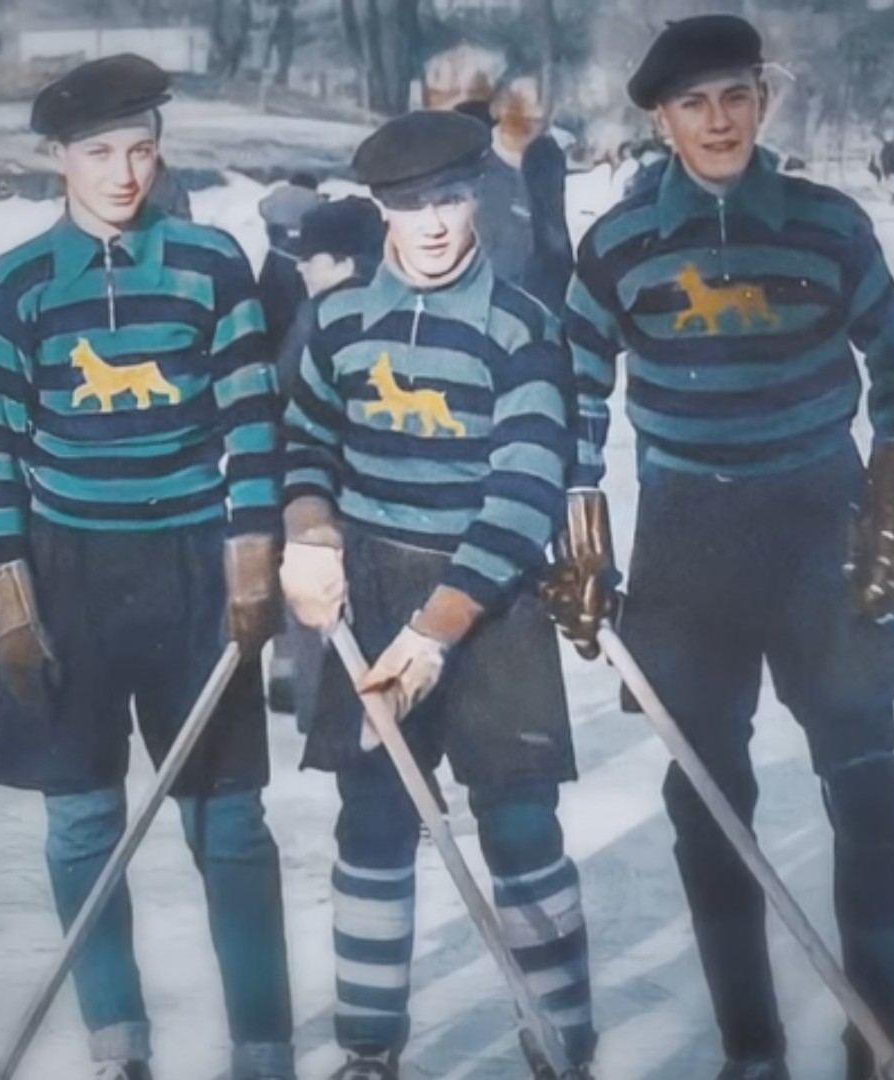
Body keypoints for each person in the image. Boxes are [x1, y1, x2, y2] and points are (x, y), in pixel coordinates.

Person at [545, 15, 894, 1080]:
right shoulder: (618, 244)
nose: (717, 121)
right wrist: (581, 531)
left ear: (762, 100)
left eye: (734, 96)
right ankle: (749, 1051)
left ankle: (877, 1039)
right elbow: (573, 392)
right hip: (688, 537)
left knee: (870, 788)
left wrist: (891, 492)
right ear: (660, 121)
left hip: (821, 522)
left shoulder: (829, 225)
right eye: (692, 104)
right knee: (706, 799)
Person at [0, 54, 294, 1080]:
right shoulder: (17, 282)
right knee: (81, 822)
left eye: (141, 150)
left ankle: (263, 1050)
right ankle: (119, 1046)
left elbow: (252, 422)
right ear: (57, 157)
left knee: (229, 822)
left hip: (195, 567)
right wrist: (10, 600)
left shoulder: (210, 263)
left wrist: (253, 562)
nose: (123, 174)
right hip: (69, 571)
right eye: (99, 152)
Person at [281, 110, 596, 1080]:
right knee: (374, 819)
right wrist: (310, 530)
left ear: (477, 199)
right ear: (380, 208)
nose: (430, 223)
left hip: (487, 596)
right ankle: (368, 1049)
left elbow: (524, 492)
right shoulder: (338, 320)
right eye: (409, 204)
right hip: (371, 586)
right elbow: (306, 441)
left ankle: (561, 1043)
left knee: (519, 823)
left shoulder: (522, 326)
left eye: (449, 200)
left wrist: (438, 631)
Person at [267, 195, 384, 726]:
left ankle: (318, 709)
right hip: (372, 496)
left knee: (314, 602)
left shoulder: (321, 314)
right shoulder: (395, 303)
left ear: (343, 262)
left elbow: (285, 387)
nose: (299, 267)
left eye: (310, 257)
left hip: (316, 487)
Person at [470, 61, 575, 313]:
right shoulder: (473, 165)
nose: (535, 113)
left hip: (551, 307)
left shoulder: (552, 159)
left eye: (540, 102)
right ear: (497, 107)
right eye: (522, 102)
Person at [259, 177, 322, 355]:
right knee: (295, 305)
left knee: (269, 301)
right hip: (301, 258)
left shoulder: (278, 194)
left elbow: (262, 208)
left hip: (276, 252)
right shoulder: (316, 200)